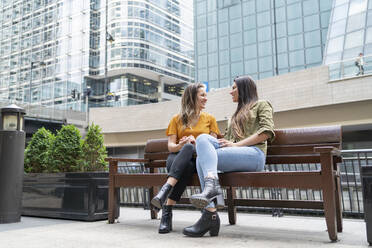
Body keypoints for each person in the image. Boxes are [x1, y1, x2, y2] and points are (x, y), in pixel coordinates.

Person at [183, 75, 275, 237]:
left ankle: (209, 214)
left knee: (202, 159)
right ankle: (211, 206)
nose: (230, 92)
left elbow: (266, 132)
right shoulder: (235, 115)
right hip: (235, 154)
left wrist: (236, 145)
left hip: (254, 155)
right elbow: (226, 142)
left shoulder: (262, 105)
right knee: (203, 141)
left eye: (234, 88)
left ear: (244, 89)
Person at [151, 83, 220, 234]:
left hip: (198, 161)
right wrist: (181, 144)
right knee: (186, 154)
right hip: (176, 158)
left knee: (189, 158)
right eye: (202, 95)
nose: (205, 98)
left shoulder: (210, 119)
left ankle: (166, 202)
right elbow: (171, 147)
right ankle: (208, 217)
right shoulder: (176, 119)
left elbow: (213, 146)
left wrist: (196, 144)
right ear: (192, 97)